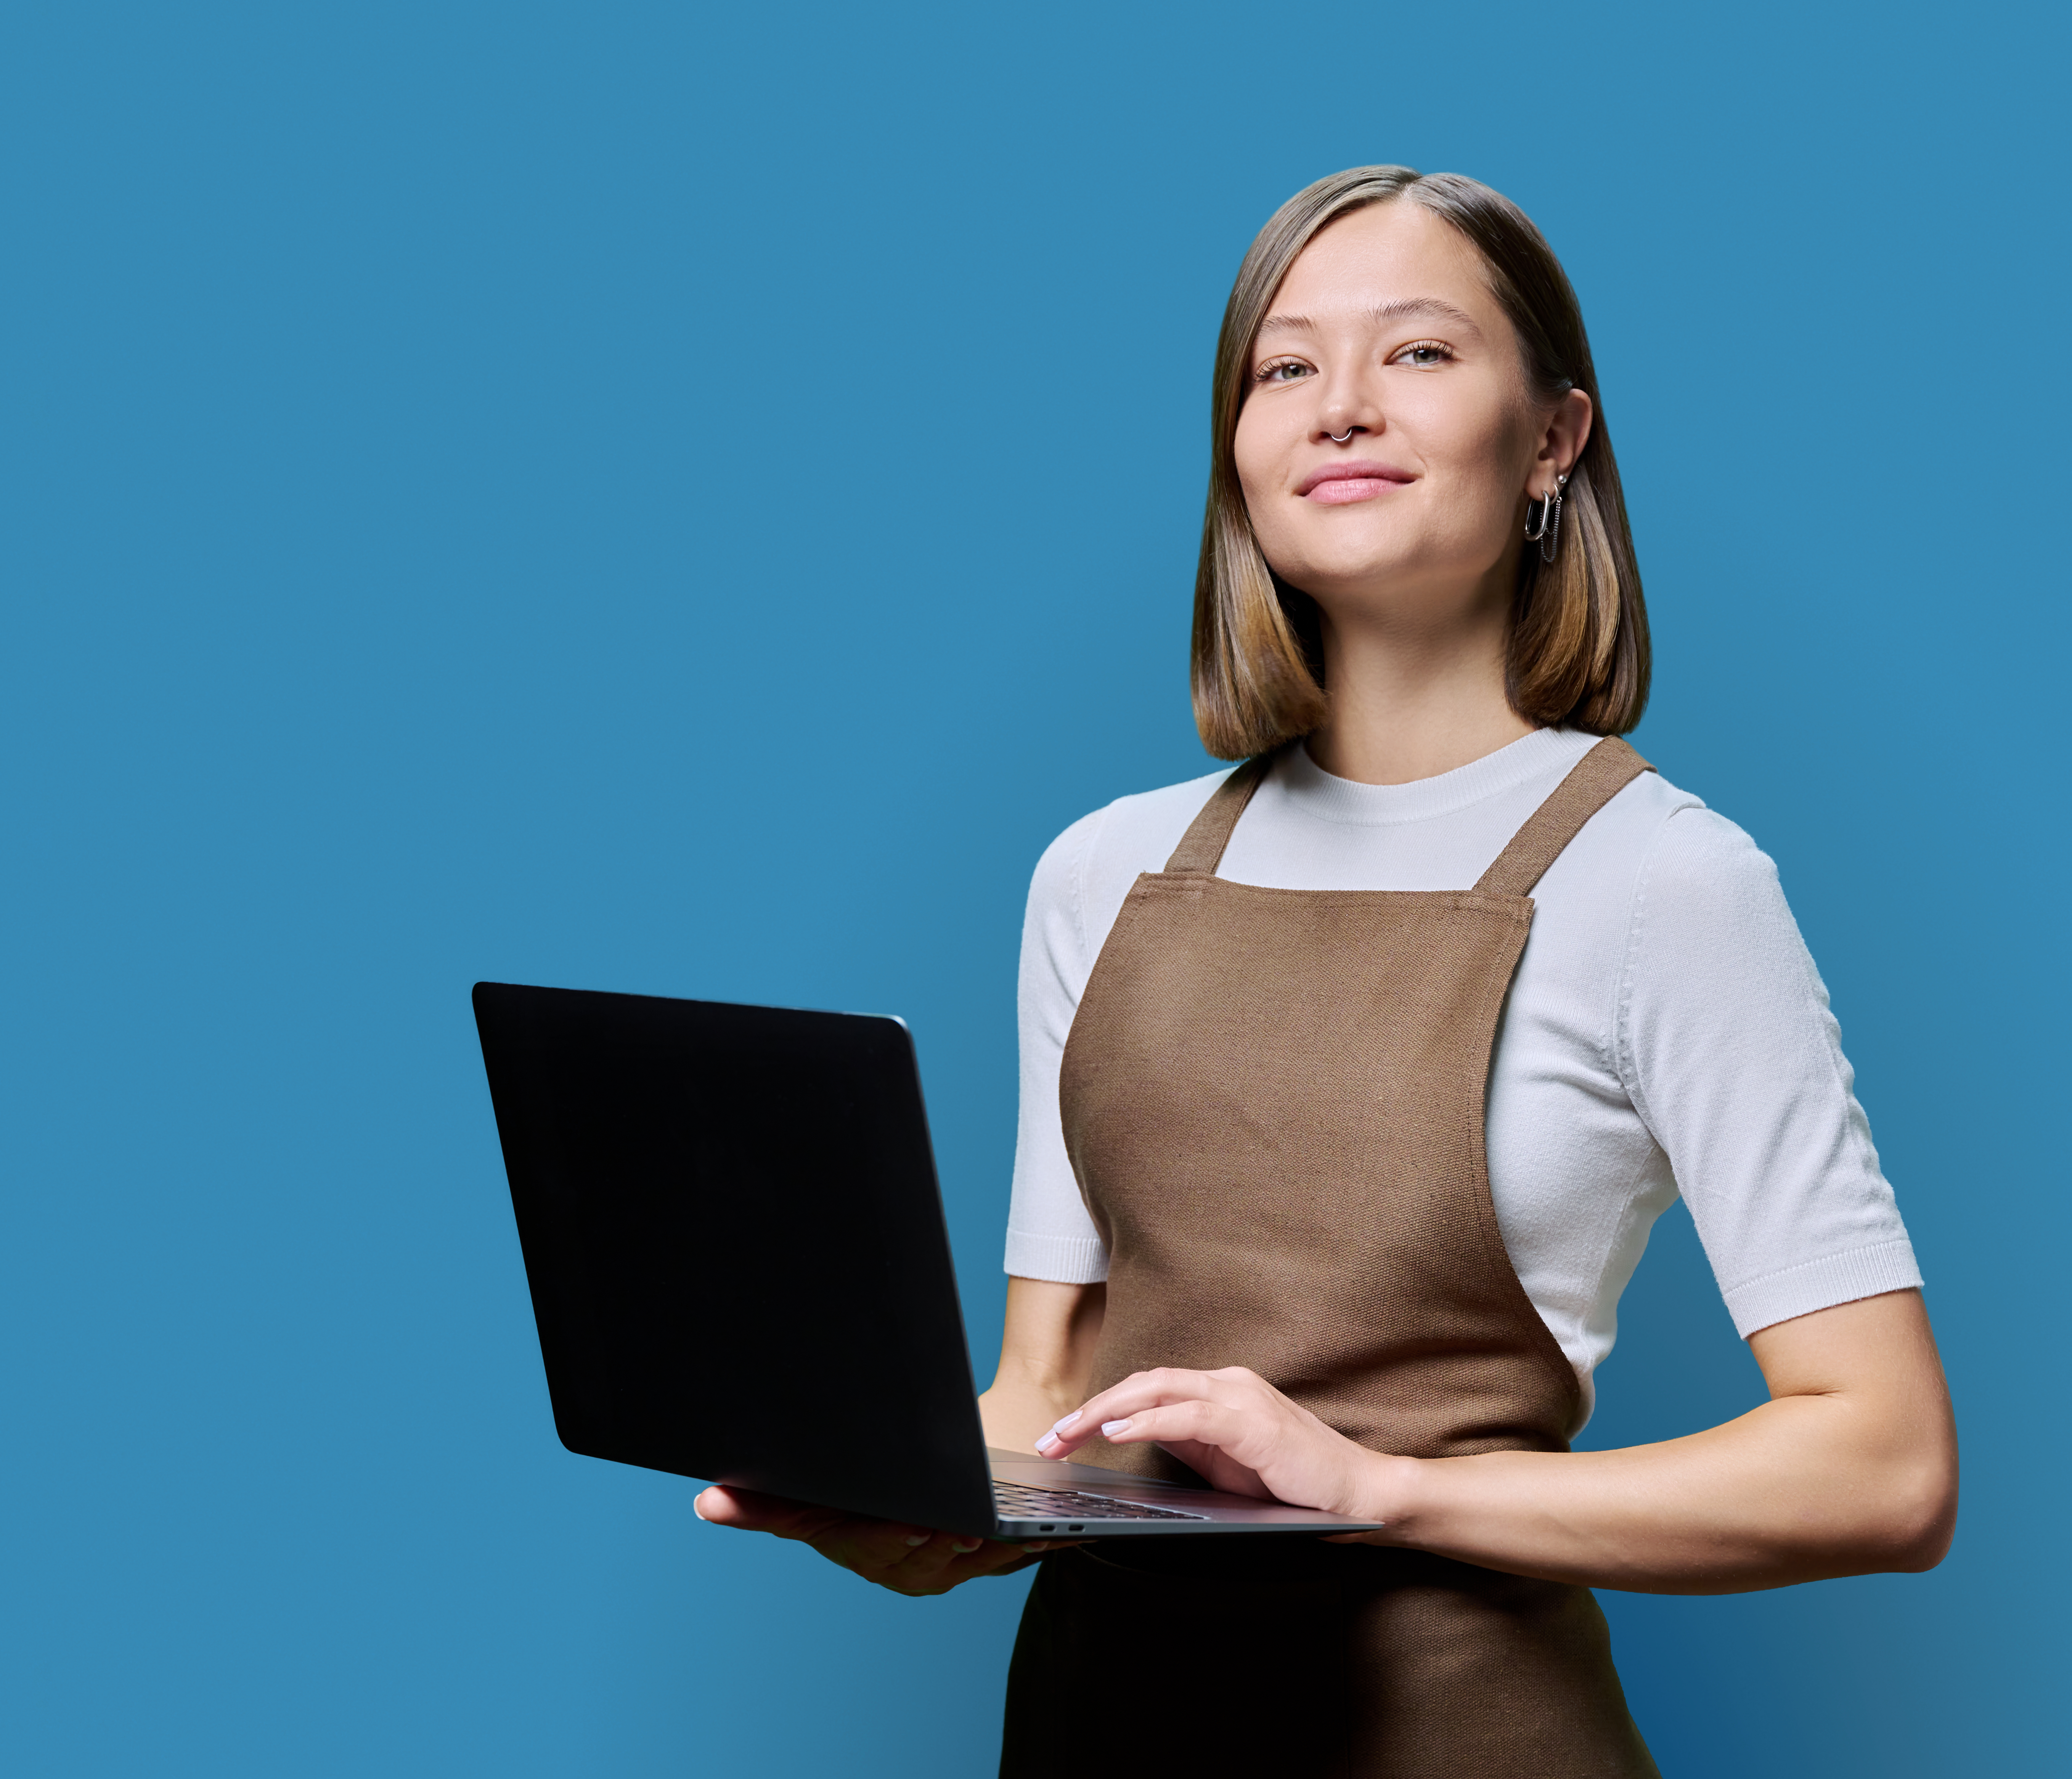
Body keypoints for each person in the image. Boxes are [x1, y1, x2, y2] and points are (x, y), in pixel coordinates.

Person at [698, 166, 1958, 1776]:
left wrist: (1380, 1487)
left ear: (1555, 439)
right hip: (1100, 1726)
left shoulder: (1665, 882)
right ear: (1237, 452)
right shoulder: (1104, 875)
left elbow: (1886, 1464)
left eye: (1419, 354)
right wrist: (924, 1505)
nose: (1342, 407)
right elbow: (1049, 1389)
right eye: (1284, 367)